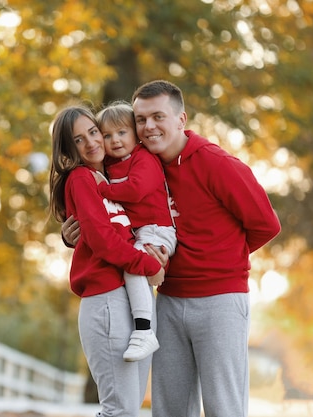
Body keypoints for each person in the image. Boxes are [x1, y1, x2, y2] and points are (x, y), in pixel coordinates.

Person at [62, 80, 281, 417]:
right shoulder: (135, 162)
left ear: (181, 119)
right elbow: (106, 217)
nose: (149, 126)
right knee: (170, 409)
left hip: (218, 300)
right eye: (141, 119)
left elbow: (266, 224)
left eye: (158, 117)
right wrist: (70, 232)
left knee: (224, 407)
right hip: (166, 298)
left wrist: (217, 259)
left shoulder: (215, 163)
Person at [48, 105, 166, 417]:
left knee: (128, 407)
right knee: (120, 409)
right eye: (78, 140)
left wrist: (158, 251)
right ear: (67, 150)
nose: (91, 142)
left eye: (93, 132)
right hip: (106, 299)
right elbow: (101, 239)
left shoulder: (112, 176)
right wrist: (149, 265)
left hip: (131, 300)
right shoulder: (82, 178)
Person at [93, 101, 177, 362]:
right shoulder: (108, 163)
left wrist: (103, 189)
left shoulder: (144, 158)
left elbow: (136, 189)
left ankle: (144, 331)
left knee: (134, 265)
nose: (115, 140)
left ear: (135, 134)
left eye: (121, 132)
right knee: (130, 264)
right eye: (107, 135)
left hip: (157, 230)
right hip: (139, 232)